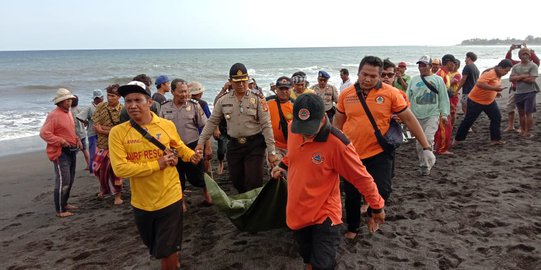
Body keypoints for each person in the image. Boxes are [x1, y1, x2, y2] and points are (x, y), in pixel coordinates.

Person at [271, 94, 385, 270]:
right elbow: (293, 155)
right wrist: (282, 165)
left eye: (310, 128)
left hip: (325, 214)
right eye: (301, 127)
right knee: (308, 259)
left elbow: (361, 177)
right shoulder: (293, 129)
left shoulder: (337, 144)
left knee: (323, 265)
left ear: (323, 118)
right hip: (297, 211)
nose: (305, 133)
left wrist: (376, 206)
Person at [334, 56, 435, 239]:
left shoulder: (391, 93)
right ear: (358, 73)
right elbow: (338, 123)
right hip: (351, 154)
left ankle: (374, 213)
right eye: (364, 74)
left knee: (383, 189)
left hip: (379, 151)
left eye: (373, 76)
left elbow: (409, 119)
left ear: (380, 76)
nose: (367, 79)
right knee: (351, 194)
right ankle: (353, 227)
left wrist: (426, 146)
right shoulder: (346, 95)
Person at [109, 81, 202, 270]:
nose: (133, 105)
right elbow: (120, 169)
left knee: (166, 252)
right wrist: (157, 164)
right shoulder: (118, 133)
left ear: (149, 102)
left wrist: (191, 156)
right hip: (142, 202)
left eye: (138, 100)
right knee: (156, 248)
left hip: (170, 196)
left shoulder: (166, 125)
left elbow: (178, 146)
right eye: (128, 101)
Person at [196, 63, 277, 193]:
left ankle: (253, 210)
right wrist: (201, 143)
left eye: (243, 81)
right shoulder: (223, 100)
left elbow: (267, 125)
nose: (240, 84)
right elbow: (211, 122)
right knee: (237, 181)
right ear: (230, 82)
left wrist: (272, 152)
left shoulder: (258, 99)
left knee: (254, 181)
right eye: (237, 81)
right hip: (234, 145)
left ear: (248, 79)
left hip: (255, 145)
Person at [160, 79, 212, 209]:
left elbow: (205, 126)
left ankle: (207, 194)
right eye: (181, 92)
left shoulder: (194, 105)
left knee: (198, 177)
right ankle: (181, 202)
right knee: (177, 177)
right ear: (173, 92)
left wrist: (208, 147)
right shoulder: (164, 107)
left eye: (186, 91)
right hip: (173, 149)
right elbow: (159, 128)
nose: (184, 94)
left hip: (191, 146)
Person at [40, 88, 82, 217]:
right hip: (60, 152)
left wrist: (77, 139)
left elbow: (70, 129)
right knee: (64, 180)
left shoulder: (68, 113)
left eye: (70, 99)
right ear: (60, 102)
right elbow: (44, 133)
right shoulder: (54, 115)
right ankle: (60, 210)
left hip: (71, 150)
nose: (70, 102)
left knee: (70, 179)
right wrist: (60, 141)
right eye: (67, 100)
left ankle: (64, 203)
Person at [406, 55, 450, 176]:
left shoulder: (438, 80)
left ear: (430, 66)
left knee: (428, 138)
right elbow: (407, 98)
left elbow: (443, 98)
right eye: (420, 65)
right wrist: (405, 115)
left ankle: (427, 164)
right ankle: (424, 164)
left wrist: (444, 114)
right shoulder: (413, 80)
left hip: (433, 114)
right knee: (419, 143)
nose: (421, 68)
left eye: (424, 65)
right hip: (416, 116)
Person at [454, 60, 513, 145]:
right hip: (476, 101)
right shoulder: (490, 73)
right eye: (506, 70)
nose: (506, 73)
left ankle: (495, 139)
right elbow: (479, 84)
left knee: (496, 117)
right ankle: (457, 140)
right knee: (468, 121)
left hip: (489, 102)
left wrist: (496, 92)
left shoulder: (498, 74)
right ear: (500, 67)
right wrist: (495, 89)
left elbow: (492, 85)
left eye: (508, 71)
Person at [92, 84, 124, 205]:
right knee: (98, 169)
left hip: (116, 146)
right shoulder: (101, 107)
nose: (110, 98)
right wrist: (110, 130)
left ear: (119, 97)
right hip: (102, 144)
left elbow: (122, 129)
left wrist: (103, 130)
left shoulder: (122, 110)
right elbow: (96, 125)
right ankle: (104, 188)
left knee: (116, 172)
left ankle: (117, 196)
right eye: (108, 95)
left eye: (113, 96)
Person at [504, 44, 539, 132]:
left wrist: (528, 48)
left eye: (527, 54)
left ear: (530, 55)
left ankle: (527, 131)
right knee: (518, 112)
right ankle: (519, 129)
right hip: (517, 91)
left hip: (530, 92)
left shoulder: (533, 65)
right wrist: (524, 75)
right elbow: (511, 78)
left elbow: (531, 79)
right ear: (519, 56)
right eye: (523, 54)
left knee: (528, 113)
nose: (525, 55)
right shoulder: (515, 65)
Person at [266, 76, 294, 160]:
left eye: (286, 89)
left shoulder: (296, 105)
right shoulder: (267, 103)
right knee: (277, 170)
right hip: (275, 146)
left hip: (292, 147)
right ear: (276, 89)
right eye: (281, 89)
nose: (284, 91)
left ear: (291, 89)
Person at [434, 54, 456, 155]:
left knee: (442, 127)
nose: (455, 66)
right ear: (449, 63)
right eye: (454, 63)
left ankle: (438, 147)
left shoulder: (445, 73)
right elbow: (439, 92)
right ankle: (441, 149)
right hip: (441, 106)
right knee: (444, 128)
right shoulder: (441, 74)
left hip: (444, 104)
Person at [76, 89, 103, 172]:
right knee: (93, 152)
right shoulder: (90, 107)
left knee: (102, 151)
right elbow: (79, 116)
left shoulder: (104, 106)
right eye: (98, 98)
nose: (100, 99)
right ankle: (92, 169)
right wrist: (87, 122)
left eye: (100, 98)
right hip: (92, 133)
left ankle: (99, 167)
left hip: (102, 133)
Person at [189, 81, 213, 175]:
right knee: (205, 159)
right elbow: (209, 119)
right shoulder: (202, 103)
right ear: (200, 93)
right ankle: (206, 180)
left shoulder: (186, 103)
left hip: (191, 137)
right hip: (202, 135)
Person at [71, 95, 89, 170]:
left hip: (76, 135)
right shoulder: (80, 109)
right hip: (83, 133)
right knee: (84, 150)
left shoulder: (70, 112)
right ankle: (89, 165)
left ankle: (71, 167)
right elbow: (86, 121)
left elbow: (71, 124)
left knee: (73, 152)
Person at [449, 59, 462, 127]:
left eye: (456, 64)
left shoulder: (458, 75)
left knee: (452, 111)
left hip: (453, 95)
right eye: (453, 63)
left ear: (458, 66)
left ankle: (452, 125)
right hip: (448, 94)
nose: (454, 65)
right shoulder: (449, 73)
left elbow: (450, 83)